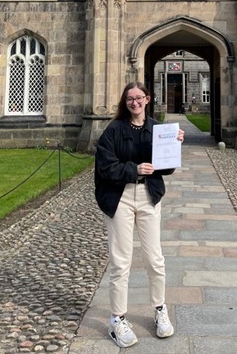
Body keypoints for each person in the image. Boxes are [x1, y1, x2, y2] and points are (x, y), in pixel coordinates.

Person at [94, 81, 184, 348]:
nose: (134, 102)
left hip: (148, 197)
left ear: (147, 99)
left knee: (154, 258)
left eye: (139, 98)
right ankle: (117, 319)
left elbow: (166, 169)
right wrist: (133, 170)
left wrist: (175, 145)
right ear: (125, 101)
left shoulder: (157, 129)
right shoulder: (113, 130)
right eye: (129, 98)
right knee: (121, 261)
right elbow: (105, 167)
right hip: (120, 197)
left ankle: (159, 310)